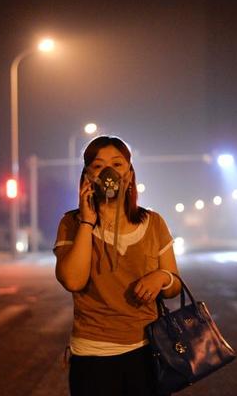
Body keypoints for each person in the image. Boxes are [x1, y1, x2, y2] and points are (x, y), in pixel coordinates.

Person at [53, 135, 181, 396]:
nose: (108, 172)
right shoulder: (72, 224)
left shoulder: (153, 223)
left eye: (117, 164)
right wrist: (87, 222)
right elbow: (73, 281)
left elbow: (174, 284)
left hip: (148, 350)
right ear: (87, 176)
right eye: (98, 166)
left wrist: (161, 277)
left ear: (130, 174)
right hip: (92, 355)